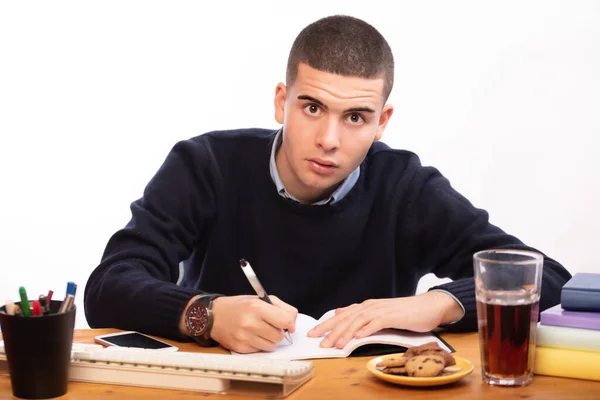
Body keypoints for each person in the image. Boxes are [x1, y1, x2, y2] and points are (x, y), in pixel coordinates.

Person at [84, 15, 571, 354]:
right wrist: (205, 313)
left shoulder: (405, 185)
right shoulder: (206, 163)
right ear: (282, 101)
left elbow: (546, 277)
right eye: (312, 107)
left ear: (382, 122)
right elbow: (109, 286)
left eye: (356, 117)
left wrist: (435, 305)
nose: (329, 140)